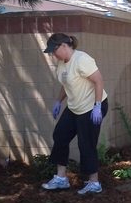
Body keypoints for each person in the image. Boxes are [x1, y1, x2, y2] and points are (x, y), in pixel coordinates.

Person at [42, 33, 108, 194]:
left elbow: (98, 81)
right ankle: (61, 178)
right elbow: (66, 84)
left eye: (54, 51)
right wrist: (58, 101)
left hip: (91, 107)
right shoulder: (63, 63)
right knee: (60, 135)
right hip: (74, 107)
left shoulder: (82, 59)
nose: (53, 55)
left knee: (86, 143)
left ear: (64, 46)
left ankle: (94, 183)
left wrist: (97, 105)